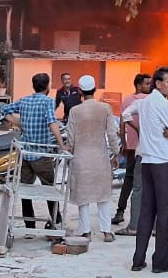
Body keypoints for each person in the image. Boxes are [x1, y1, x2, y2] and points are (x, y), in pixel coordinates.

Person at [122, 66, 168, 273]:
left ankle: (138, 260)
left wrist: (140, 130)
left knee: (146, 212)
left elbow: (125, 114)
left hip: (146, 163)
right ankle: (160, 262)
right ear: (158, 84)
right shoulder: (164, 104)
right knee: (164, 214)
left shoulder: (143, 102)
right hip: (163, 163)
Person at [4, 73, 69, 232]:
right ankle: (56, 222)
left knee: (25, 190)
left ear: (34, 86)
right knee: (50, 190)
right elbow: (52, 122)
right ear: (47, 86)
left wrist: (19, 123)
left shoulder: (24, 100)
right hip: (42, 155)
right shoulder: (48, 101)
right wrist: (62, 144)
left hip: (25, 154)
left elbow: (4, 111)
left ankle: (29, 226)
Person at [67, 75, 120, 243]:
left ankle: (86, 232)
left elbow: (70, 138)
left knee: (83, 197)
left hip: (81, 158)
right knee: (103, 195)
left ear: (80, 91)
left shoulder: (75, 111)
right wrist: (116, 153)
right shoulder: (105, 108)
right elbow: (112, 134)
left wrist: (68, 152)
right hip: (100, 157)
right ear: (95, 89)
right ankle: (107, 232)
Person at [114, 73, 152, 231]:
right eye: (147, 83)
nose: (150, 86)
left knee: (129, 180)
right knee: (144, 184)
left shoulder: (127, 100)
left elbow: (122, 124)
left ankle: (120, 211)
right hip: (146, 148)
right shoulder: (150, 100)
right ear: (138, 85)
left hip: (131, 146)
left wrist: (123, 143)